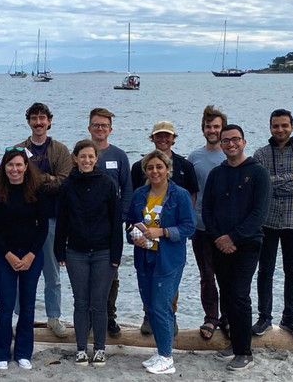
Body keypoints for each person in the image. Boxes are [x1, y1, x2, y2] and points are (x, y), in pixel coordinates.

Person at [203, 124, 271, 371]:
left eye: (235, 140)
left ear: (244, 142)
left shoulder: (258, 173)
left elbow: (259, 213)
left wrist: (234, 238)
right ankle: (235, 342)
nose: (230, 144)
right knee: (227, 294)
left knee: (240, 295)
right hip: (220, 244)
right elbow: (207, 210)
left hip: (248, 244)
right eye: (225, 141)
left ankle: (245, 352)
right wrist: (219, 237)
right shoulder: (216, 174)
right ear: (220, 145)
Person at [54, 140, 123, 366]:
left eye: (90, 156)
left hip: (103, 251)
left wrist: (116, 255)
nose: (86, 160)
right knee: (81, 301)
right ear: (75, 158)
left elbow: (116, 222)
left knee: (99, 302)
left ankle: (100, 348)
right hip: (76, 251)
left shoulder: (108, 183)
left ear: (96, 158)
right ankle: (82, 348)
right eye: (82, 156)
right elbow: (62, 219)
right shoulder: (68, 185)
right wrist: (59, 250)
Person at [127, 150, 195, 375]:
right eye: (150, 167)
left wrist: (163, 231)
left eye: (159, 167)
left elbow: (189, 227)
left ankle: (167, 357)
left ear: (167, 169)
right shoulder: (139, 194)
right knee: (150, 305)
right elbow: (130, 223)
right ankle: (160, 350)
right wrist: (133, 236)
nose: (154, 171)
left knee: (161, 306)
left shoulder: (180, 195)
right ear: (145, 171)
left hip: (168, 259)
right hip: (144, 256)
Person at [130, 120, 198, 335]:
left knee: (168, 285)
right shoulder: (138, 168)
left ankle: (170, 315)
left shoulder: (185, 167)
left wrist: (173, 228)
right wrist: (134, 234)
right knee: (147, 283)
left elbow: (191, 199)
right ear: (152, 138)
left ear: (173, 138)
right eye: (158, 135)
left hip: (170, 238)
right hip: (145, 241)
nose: (163, 139)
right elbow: (133, 210)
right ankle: (148, 315)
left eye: (167, 135)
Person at [252, 109, 293, 341]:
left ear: (292, 127)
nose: (280, 130)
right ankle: (264, 317)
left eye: (284, 125)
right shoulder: (261, 154)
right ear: (270, 127)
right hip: (267, 221)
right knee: (265, 270)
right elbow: (261, 186)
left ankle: (289, 317)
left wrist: (275, 182)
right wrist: (290, 179)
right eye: (276, 126)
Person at [15, 102, 72, 338]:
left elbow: (65, 181)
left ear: (49, 121)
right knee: (22, 271)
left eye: (43, 118)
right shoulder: (18, 148)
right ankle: (20, 318)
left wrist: (38, 179)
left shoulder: (60, 150)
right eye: (34, 118)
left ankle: (53, 317)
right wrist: (47, 180)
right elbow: (12, 179)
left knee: (52, 273)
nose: (38, 123)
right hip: (23, 220)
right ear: (28, 121)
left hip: (50, 219)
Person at [0, 148, 49, 371]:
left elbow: (43, 228)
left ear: (26, 166)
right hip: (5, 254)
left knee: (27, 305)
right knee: (5, 305)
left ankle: (23, 352)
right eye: (10, 165)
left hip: (32, 255)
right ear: (4, 167)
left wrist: (31, 255)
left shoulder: (37, 190)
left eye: (18, 165)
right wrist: (9, 255)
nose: (14, 169)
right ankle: (2, 353)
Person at [88, 107, 132, 337]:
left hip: (111, 226)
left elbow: (127, 190)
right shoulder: (81, 153)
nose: (100, 129)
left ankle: (109, 316)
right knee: (86, 274)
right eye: (96, 125)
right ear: (89, 128)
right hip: (86, 226)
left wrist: (123, 219)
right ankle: (87, 317)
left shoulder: (119, 156)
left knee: (111, 275)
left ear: (110, 129)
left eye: (104, 125)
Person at [187, 105, 229, 340]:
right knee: (207, 275)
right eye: (208, 126)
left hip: (227, 228)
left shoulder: (230, 153)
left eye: (216, 126)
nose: (212, 130)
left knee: (228, 275)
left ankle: (228, 317)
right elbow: (191, 192)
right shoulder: (195, 157)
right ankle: (211, 317)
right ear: (203, 129)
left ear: (223, 129)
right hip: (201, 226)